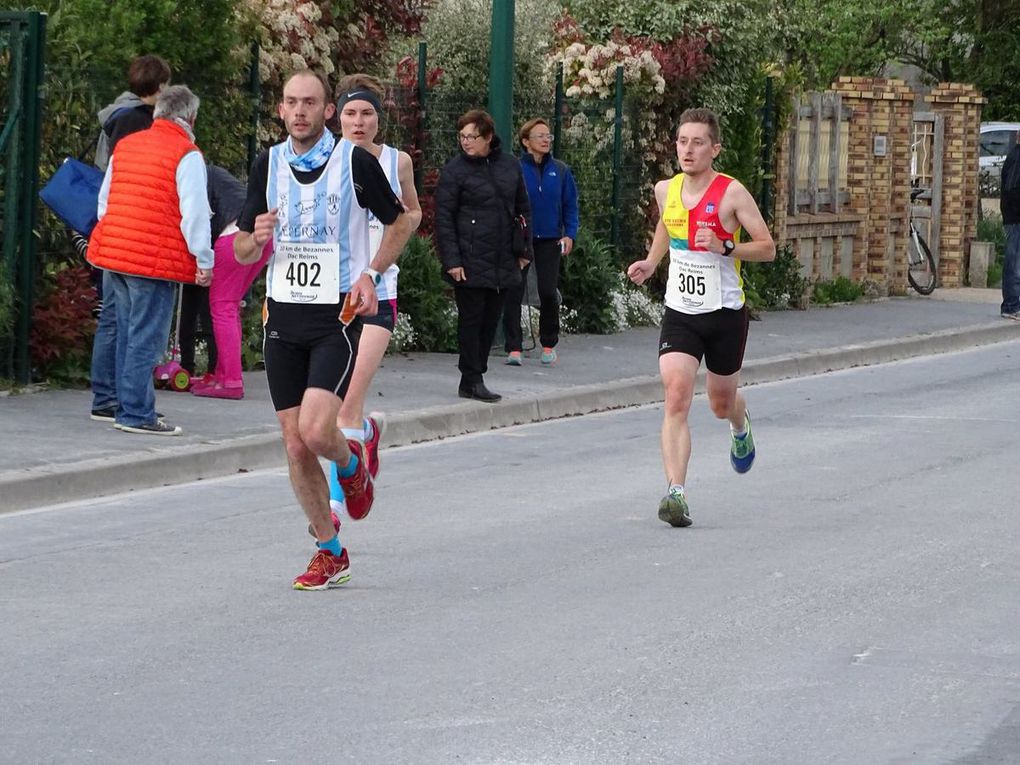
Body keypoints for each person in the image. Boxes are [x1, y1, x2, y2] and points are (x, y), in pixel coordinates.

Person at [233, 69, 416, 590]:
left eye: (309, 103)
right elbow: (244, 248)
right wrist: (255, 238)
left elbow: (401, 220)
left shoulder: (354, 161)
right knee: (294, 445)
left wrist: (370, 273)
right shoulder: (266, 164)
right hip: (281, 316)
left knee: (317, 432)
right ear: (281, 109)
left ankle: (351, 458)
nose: (299, 112)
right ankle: (329, 550)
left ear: (326, 111)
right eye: (291, 102)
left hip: (337, 315)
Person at [627, 108, 776, 528]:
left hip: (725, 313)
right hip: (681, 311)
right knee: (676, 396)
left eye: (697, 142)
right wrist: (653, 262)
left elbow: (767, 247)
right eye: (682, 141)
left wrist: (727, 247)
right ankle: (676, 492)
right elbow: (667, 226)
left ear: (715, 148)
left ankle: (740, 423)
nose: (687, 150)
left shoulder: (732, 194)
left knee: (719, 402)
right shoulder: (665, 190)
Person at [87, 85, 214, 436]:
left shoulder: (126, 146)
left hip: (114, 253)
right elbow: (194, 216)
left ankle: (110, 401)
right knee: (145, 338)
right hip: (153, 261)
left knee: (122, 330)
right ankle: (136, 413)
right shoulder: (186, 154)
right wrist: (204, 259)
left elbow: (104, 201)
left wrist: (113, 237)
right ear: (190, 117)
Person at [324, 74, 421, 514]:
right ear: (336, 117)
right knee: (339, 410)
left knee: (344, 406)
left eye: (366, 114)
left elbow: (413, 211)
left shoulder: (396, 161)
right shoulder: (322, 163)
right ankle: (366, 432)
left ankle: (334, 509)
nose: (358, 122)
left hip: (380, 292)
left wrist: (390, 238)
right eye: (350, 114)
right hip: (332, 296)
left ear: (379, 120)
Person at [88, 55, 172, 424]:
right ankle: (130, 404)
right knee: (139, 325)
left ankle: (105, 397)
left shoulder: (115, 114)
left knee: (111, 317)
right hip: (138, 231)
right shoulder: (141, 123)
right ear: (161, 86)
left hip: (111, 230)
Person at [435, 109, 532, 403]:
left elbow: (523, 209)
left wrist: (524, 251)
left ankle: (478, 372)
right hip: (469, 257)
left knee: (492, 319)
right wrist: (452, 260)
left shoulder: (510, 165)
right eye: (462, 136)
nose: (466, 142)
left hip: (503, 256)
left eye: (472, 137)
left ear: (488, 137)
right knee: (471, 319)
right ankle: (471, 377)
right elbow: (444, 217)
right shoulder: (455, 171)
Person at [189, 164, 272, 399]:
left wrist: (202, 258)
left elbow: (198, 218)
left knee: (222, 307)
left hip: (233, 235)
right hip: (261, 236)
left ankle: (231, 381)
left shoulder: (194, 173)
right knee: (230, 305)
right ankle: (223, 376)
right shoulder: (215, 174)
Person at [503, 118, 578, 366]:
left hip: (550, 239)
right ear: (526, 141)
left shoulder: (561, 169)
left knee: (547, 291)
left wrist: (569, 234)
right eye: (540, 136)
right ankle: (513, 347)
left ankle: (548, 344)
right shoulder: (514, 168)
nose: (546, 140)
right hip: (520, 237)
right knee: (514, 290)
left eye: (548, 136)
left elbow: (570, 205)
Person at [1000, 130, 1020, 320]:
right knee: (1014, 263)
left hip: (1014, 216)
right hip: (1015, 218)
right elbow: (1012, 189)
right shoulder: (1017, 158)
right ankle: (1011, 306)